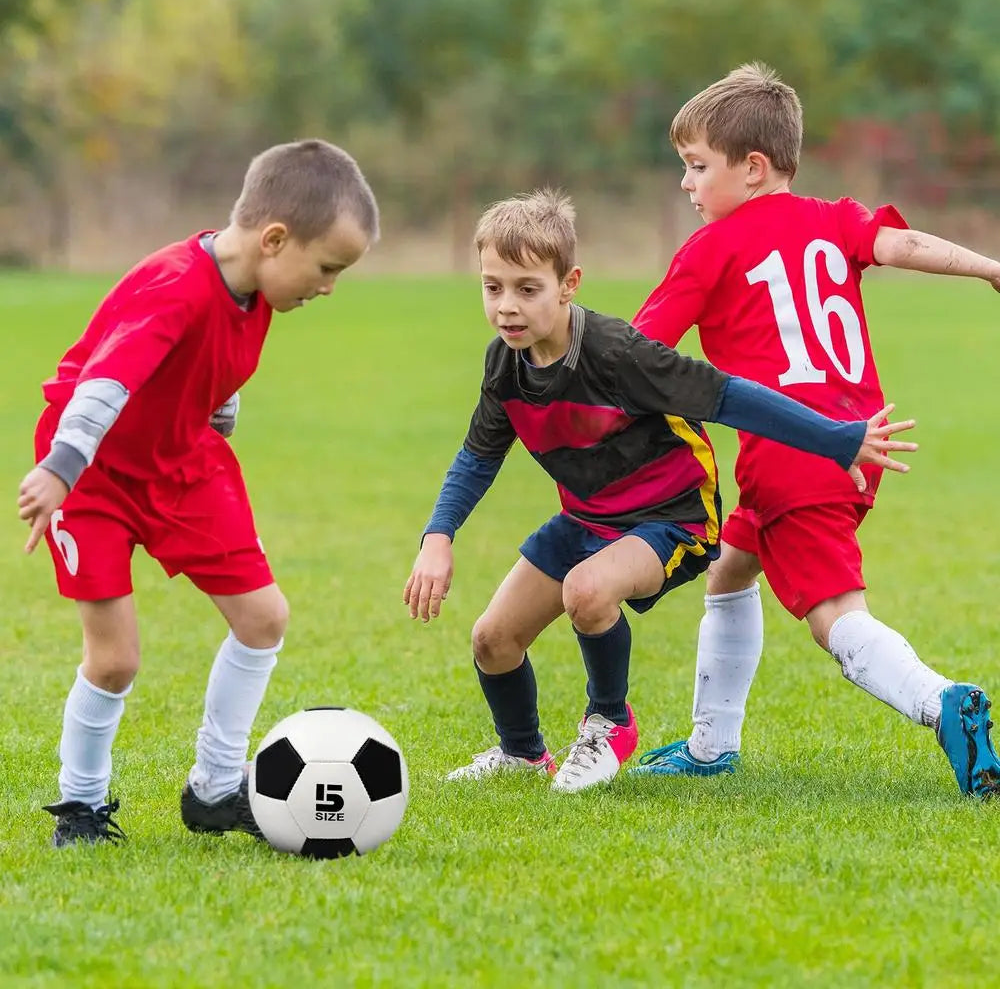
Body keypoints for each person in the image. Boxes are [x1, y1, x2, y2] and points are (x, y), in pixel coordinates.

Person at [403, 187, 916, 794]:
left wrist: (837, 438)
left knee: (586, 591)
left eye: (527, 288)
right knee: (492, 639)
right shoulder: (505, 365)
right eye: (493, 287)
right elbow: (478, 456)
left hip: (672, 517)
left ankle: (609, 724)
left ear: (569, 284)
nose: (507, 307)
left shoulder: (617, 354)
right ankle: (522, 753)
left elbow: (730, 397)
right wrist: (438, 536)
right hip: (589, 517)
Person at [630, 62, 1000, 799]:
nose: (687, 184)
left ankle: (943, 702)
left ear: (755, 168)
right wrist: (990, 267)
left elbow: (640, 352)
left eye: (697, 167)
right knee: (733, 564)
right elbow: (902, 247)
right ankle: (712, 746)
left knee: (835, 616)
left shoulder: (710, 250)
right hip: (858, 443)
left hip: (789, 455)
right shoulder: (835, 218)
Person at [17, 140, 379, 846]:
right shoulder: (175, 284)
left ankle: (215, 789)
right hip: (93, 472)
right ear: (274, 239)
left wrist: (220, 411)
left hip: (183, 462)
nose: (329, 285)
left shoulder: (257, 288)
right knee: (116, 657)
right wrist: (61, 469)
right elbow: (106, 382)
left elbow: (213, 363)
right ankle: (81, 807)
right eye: (327, 267)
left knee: (263, 618)